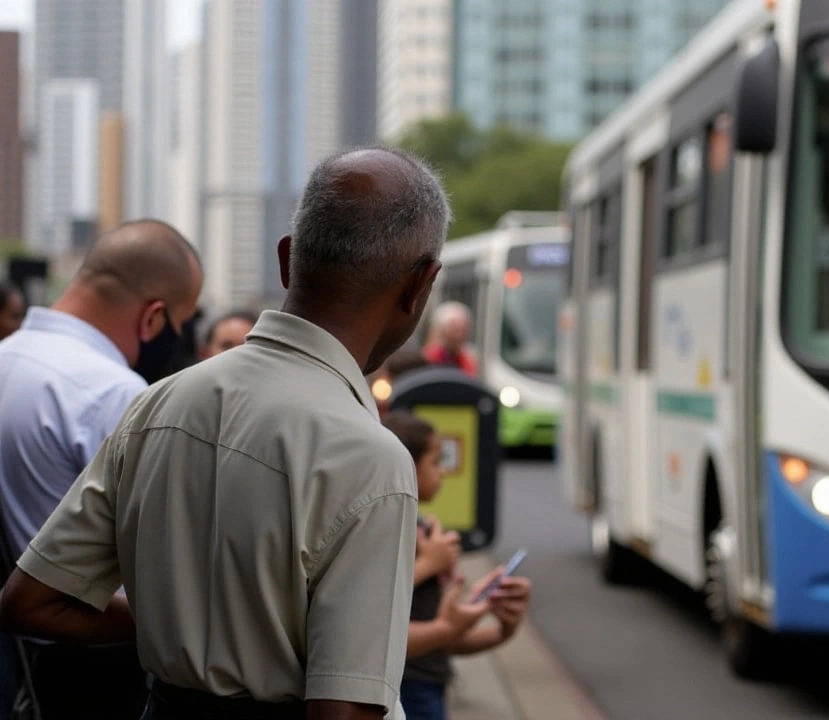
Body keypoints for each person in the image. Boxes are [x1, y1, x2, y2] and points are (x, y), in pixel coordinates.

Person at [0, 147, 476, 720]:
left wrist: (163, 624)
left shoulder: (156, 404)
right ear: (420, 286)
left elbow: (31, 601)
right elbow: (344, 710)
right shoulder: (371, 459)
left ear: (287, 258)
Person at [0, 219, 202, 720]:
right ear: (154, 319)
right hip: (81, 671)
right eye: (182, 321)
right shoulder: (113, 393)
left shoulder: (8, 356)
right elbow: (162, 567)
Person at [381, 411, 532, 720]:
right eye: (435, 462)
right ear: (406, 467)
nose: (443, 473)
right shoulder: (391, 529)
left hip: (430, 683)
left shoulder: (422, 529)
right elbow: (374, 611)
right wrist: (428, 563)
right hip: (406, 689)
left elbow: (443, 639)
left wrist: (498, 626)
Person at [421, 302, 477, 376]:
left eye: (463, 329)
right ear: (441, 330)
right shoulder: (428, 358)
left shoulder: (468, 361)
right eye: (454, 328)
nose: (458, 335)